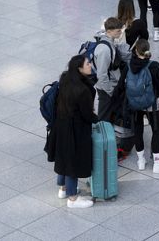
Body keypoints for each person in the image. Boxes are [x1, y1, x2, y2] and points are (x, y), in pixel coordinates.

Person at [44, 54, 96, 208]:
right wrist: (97, 120)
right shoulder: (82, 90)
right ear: (79, 68)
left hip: (60, 126)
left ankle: (63, 188)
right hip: (75, 130)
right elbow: (87, 114)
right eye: (87, 64)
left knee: (64, 157)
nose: (90, 65)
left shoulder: (65, 79)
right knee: (73, 162)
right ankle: (72, 199)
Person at [121, 40, 159, 174]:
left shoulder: (128, 65)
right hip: (151, 103)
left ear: (135, 51)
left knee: (138, 130)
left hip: (134, 104)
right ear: (148, 50)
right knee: (156, 130)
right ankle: (157, 163)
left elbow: (121, 85)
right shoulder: (154, 66)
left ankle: (141, 161)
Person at [94, 16, 127, 118]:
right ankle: (102, 133)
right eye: (118, 31)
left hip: (110, 85)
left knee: (109, 113)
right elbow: (101, 74)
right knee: (104, 116)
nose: (120, 33)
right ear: (109, 31)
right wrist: (110, 91)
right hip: (106, 88)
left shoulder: (110, 42)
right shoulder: (104, 49)